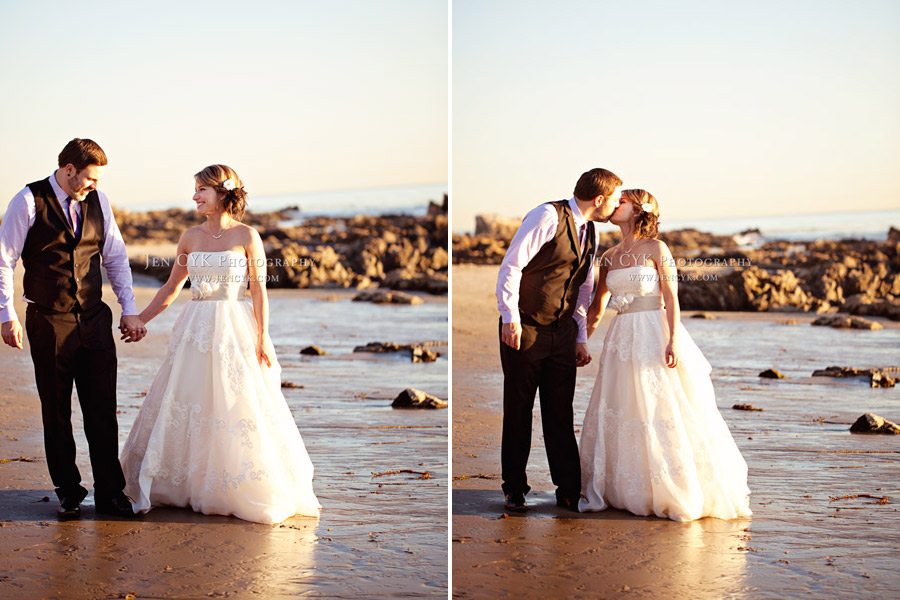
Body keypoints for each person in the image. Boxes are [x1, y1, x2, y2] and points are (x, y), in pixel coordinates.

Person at [118, 165, 321, 524]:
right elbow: (170, 289)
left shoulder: (247, 235)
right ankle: (181, 483)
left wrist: (261, 337)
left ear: (222, 193)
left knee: (235, 402)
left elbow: (258, 288)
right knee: (188, 401)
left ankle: (231, 485)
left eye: (201, 190)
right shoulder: (189, 237)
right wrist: (139, 320)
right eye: (194, 189)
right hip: (195, 328)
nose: (195, 196)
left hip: (235, 329)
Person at [578, 189, 752, 521]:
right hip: (620, 340)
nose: (616, 205)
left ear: (639, 210)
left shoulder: (658, 249)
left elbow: (671, 297)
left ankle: (671, 485)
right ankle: (623, 487)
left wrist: (672, 339)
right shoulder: (609, 255)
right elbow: (598, 305)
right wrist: (580, 339)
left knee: (660, 406)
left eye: (623, 201)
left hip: (653, 333)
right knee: (623, 407)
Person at [0, 138, 145, 519]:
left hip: (95, 319)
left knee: (102, 409)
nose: (93, 185)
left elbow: (115, 258)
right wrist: (6, 314)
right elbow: (4, 261)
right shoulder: (27, 201)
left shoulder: (100, 201)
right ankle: (68, 490)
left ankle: (110, 494)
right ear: (68, 171)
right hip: (48, 320)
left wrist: (129, 310)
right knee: (56, 408)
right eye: (89, 178)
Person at [495, 168, 623, 511]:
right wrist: (511, 317)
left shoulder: (592, 230)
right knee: (519, 409)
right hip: (526, 327)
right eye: (614, 199)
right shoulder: (547, 216)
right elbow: (512, 266)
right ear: (599, 199)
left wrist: (580, 337)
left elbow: (583, 288)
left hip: (563, 332)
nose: (616, 205)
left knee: (560, 412)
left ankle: (567, 490)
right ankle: (515, 489)